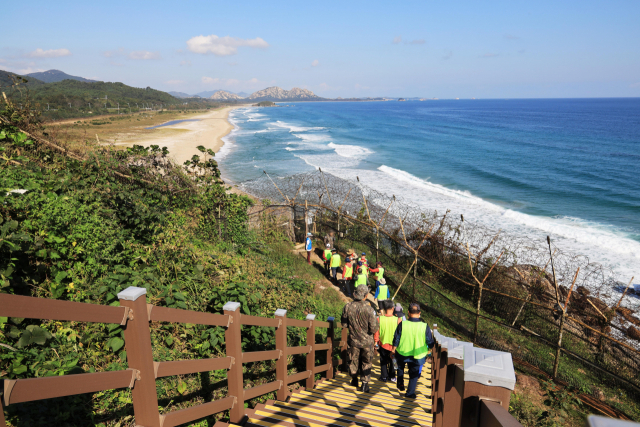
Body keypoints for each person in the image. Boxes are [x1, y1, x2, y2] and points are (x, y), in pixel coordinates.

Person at [391, 303, 435, 399]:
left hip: (402, 352)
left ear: (408, 312)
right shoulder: (424, 326)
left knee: (400, 368)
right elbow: (430, 341)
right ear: (419, 313)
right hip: (417, 354)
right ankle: (410, 393)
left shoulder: (403, 324)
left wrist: (393, 350)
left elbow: (396, 338)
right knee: (414, 374)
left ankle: (400, 384)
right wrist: (430, 350)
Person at [341, 285, 378, 393]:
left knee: (354, 360)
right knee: (366, 362)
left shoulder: (347, 307)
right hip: (367, 341)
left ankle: (354, 379)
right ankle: (364, 384)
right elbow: (373, 328)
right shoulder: (370, 310)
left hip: (353, 340)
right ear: (366, 296)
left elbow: (344, 324)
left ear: (355, 294)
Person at [374, 300, 401, 383]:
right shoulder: (398, 320)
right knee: (394, 361)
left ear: (384, 308)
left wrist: (376, 342)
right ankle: (392, 376)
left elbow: (376, 332)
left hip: (383, 344)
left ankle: (384, 376)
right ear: (393, 308)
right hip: (394, 346)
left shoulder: (379, 319)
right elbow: (401, 333)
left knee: (383, 360)